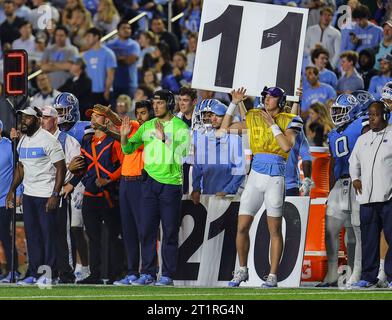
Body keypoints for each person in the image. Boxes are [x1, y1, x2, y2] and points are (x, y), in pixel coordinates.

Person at [220, 87, 303, 288]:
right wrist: (234, 103)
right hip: (255, 176)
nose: (267, 99)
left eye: (272, 96)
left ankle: (273, 275)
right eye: (265, 95)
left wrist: (273, 125)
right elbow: (224, 129)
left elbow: (286, 146)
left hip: (275, 176)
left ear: (281, 100)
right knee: (241, 227)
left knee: (274, 229)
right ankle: (241, 270)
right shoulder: (254, 115)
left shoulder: (290, 118)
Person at [120, 89, 190, 286]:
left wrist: (163, 138)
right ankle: (148, 273)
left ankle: (167, 275)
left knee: (169, 232)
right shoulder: (147, 126)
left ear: (169, 103)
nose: (156, 106)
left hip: (170, 184)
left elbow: (184, 153)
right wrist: (124, 137)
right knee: (146, 231)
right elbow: (128, 149)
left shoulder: (180, 126)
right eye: (154, 103)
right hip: (149, 183)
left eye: (159, 103)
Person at [6, 106, 66, 285]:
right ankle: (34, 272)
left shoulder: (49, 140)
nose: (23, 121)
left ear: (38, 120)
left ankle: (49, 275)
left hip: (46, 194)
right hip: (29, 195)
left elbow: (61, 168)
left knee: (48, 235)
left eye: (28, 118)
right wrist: (11, 191)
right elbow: (21, 168)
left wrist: (55, 194)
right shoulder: (23, 141)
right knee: (32, 236)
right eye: (22, 118)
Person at [319, 94, 365, 287]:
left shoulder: (362, 123)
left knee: (355, 231)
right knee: (331, 228)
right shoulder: (333, 134)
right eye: (335, 110)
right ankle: (331, 274)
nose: (336, 114)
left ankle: (357, 272)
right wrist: (331, 189)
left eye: (340, 110)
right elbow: (333, 163)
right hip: (340, 183)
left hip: (359, 180)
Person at [76, 105, 124, 284]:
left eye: (97, 116)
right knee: (93, 238)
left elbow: (123, 165)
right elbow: (81, 168)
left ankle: (115, 274)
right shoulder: (86, 144)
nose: (93, 119)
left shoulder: (114, 142)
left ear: (106, 120)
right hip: (90, 195)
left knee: (113, 236)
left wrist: (109, 179)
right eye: (92, 116)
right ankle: (94, 274)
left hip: (109, 195)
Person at [349, 101, 392, 288]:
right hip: (366, 198)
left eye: (375, 114)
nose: (372, 118)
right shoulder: (363, 139)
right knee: (369, 240)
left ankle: (390, 276)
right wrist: (355, 178)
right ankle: (368, 277)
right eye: (370, 115)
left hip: (388, 198)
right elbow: (353, 162)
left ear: (385, 115)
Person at [39, 105, 81, 283]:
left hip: (59, 192)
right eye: (41, 117)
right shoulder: (37, 139)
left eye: (47, 117)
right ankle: (49, 272)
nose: (42, 120)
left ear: (56, 120)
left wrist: (69, 183)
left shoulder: (67, 140)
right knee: (44, 234)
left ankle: (66, 272)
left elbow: (79, 164)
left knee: (60, 234)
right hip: (40, 192)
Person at [54, 92, 91, 281]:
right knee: (67, 228)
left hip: (80, 182)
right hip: (62, 182)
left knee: (77, 226)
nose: (59, 114)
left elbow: (84, 160)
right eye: (57, 110)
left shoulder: (83, 128)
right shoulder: (54, 130)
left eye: (63, 110)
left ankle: (84, 266)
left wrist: (72, 181)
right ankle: (74, 265)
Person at [190, 99, 245, 203]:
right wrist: (196, 188)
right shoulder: (203, 138)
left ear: (225, 117)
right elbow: (197, 167)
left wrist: (227, 191)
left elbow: (240, 170)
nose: (213, 119)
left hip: (230, 197)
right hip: (207, 195)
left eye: (217, 116)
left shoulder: (234, 138)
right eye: (210, 116)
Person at [0, 119, 21, 283]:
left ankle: (14, 270)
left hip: (4, 199)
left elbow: (18, 170)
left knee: (5, 235)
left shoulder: (9, 146)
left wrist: (17, 192)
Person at [107, 20, 141, 102]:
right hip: (114, 84)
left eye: (129, 28)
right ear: (118, 30)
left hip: (130, 84)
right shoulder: (109, 44)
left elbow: (130, 60)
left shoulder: (134, 45)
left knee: (129, 111)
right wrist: (122, 58)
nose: (127, 30)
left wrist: (115, 58)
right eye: (124, 28)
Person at [83, 27, 117, 106]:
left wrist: (107, 91)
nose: (86, 39)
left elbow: (110, 74)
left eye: (89, 36)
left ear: (96, 37)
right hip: (90, 92)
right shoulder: (86, 55)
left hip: (103, 92)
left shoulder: (108, 53)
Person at [40, 26, 79, 90]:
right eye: (57, 35)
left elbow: (70, 66)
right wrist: (63, 66)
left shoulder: (73, 50)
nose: (58, 38)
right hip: (50, 85)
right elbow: (43, 67)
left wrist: (51, 64)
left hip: (67, 85)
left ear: (66, 37)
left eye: (61, 35)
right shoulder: (49, 49)